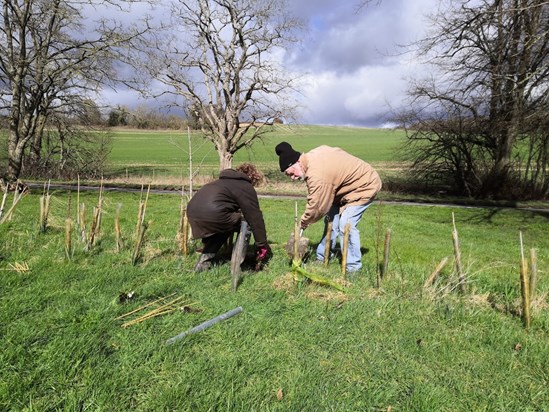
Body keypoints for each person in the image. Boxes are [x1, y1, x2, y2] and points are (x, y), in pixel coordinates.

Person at [275, 142, 382, 273]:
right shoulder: (311, 158)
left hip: (364, 185)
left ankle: (353, 268)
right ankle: (322, 257)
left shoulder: (317, 174)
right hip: (341, 189)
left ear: (297, 163)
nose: (292, 178)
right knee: (331, 221)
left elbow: (317, 206)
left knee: (346, 224)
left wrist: (303, 223)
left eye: (290, 173)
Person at [187, 163, 271, 272]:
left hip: (193, 212)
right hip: (215, 214)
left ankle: (202, 265)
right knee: (247, 224)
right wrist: (261, 243)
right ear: (253, 177)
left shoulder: (221, 182)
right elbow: (254, 217)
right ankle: (237, 265)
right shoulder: (244, 185)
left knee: (225, 228)